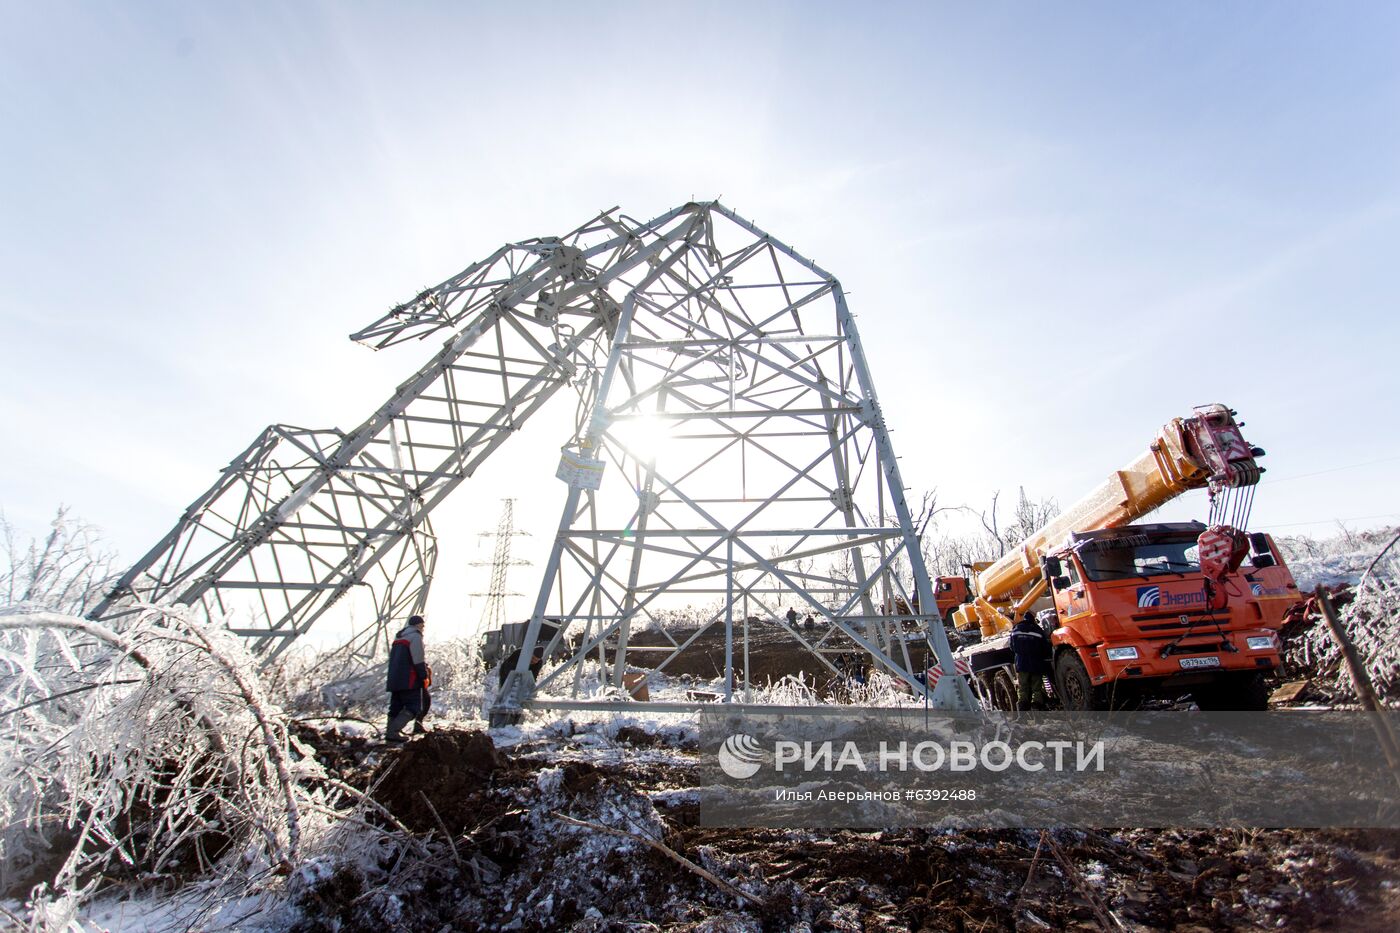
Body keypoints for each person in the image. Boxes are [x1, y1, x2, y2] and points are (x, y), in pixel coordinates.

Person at [386, 614, 430, 743]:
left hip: (395, 679)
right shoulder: (415, 637)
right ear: (419, 625)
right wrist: (423, 676)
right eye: (423, 625)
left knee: (396, 707)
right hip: (409, 680)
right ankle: (393, 731)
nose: (423, 628)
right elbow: (418, 660)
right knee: (413, 707)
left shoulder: (399, 637)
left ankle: (390, 733)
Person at [1010, 611, 1051, 710]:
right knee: (1036, 688)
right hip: (1036, 663)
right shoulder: (1037, 630)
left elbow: (1012, 647)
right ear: (1033, 620)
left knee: (1023, 687)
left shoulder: (1015, 630)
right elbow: (1045, 647)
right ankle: (1037, 708)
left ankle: (1023, 710)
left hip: (1021, 663)